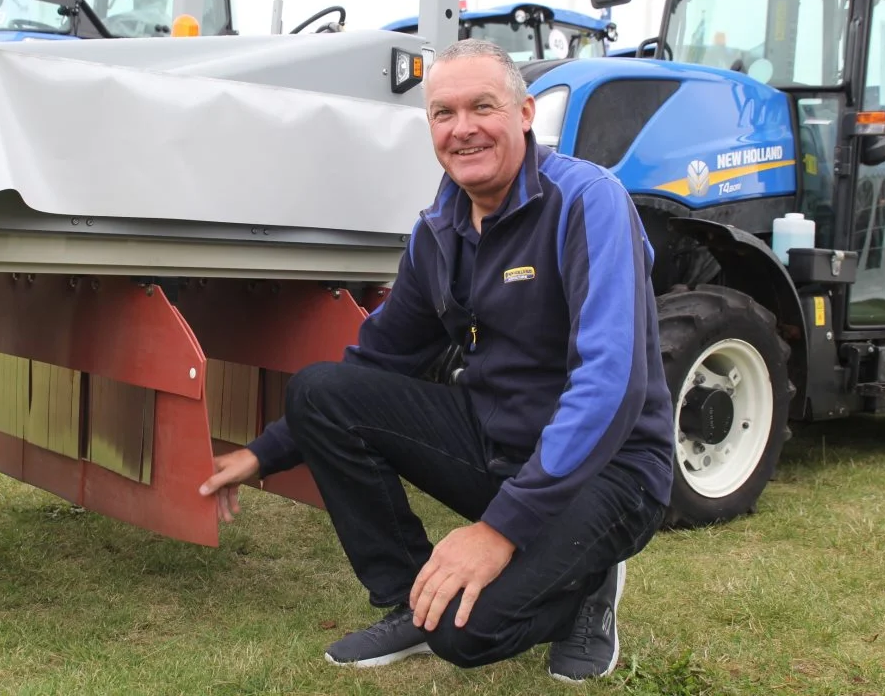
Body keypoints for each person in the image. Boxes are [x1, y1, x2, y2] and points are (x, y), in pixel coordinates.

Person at [200, 38, 675, 683]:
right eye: (443, 114)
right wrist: (265, 452)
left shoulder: (587, 202)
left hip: (610, 468)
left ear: (526, 114)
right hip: (499, 446)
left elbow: (611, 382)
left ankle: (586, 584)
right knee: (322, 392)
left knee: (468, 633)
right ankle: (409, 595)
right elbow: (380, 359)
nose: (463, 129)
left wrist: (499, 531)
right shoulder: (439, 231)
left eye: (483, 106)